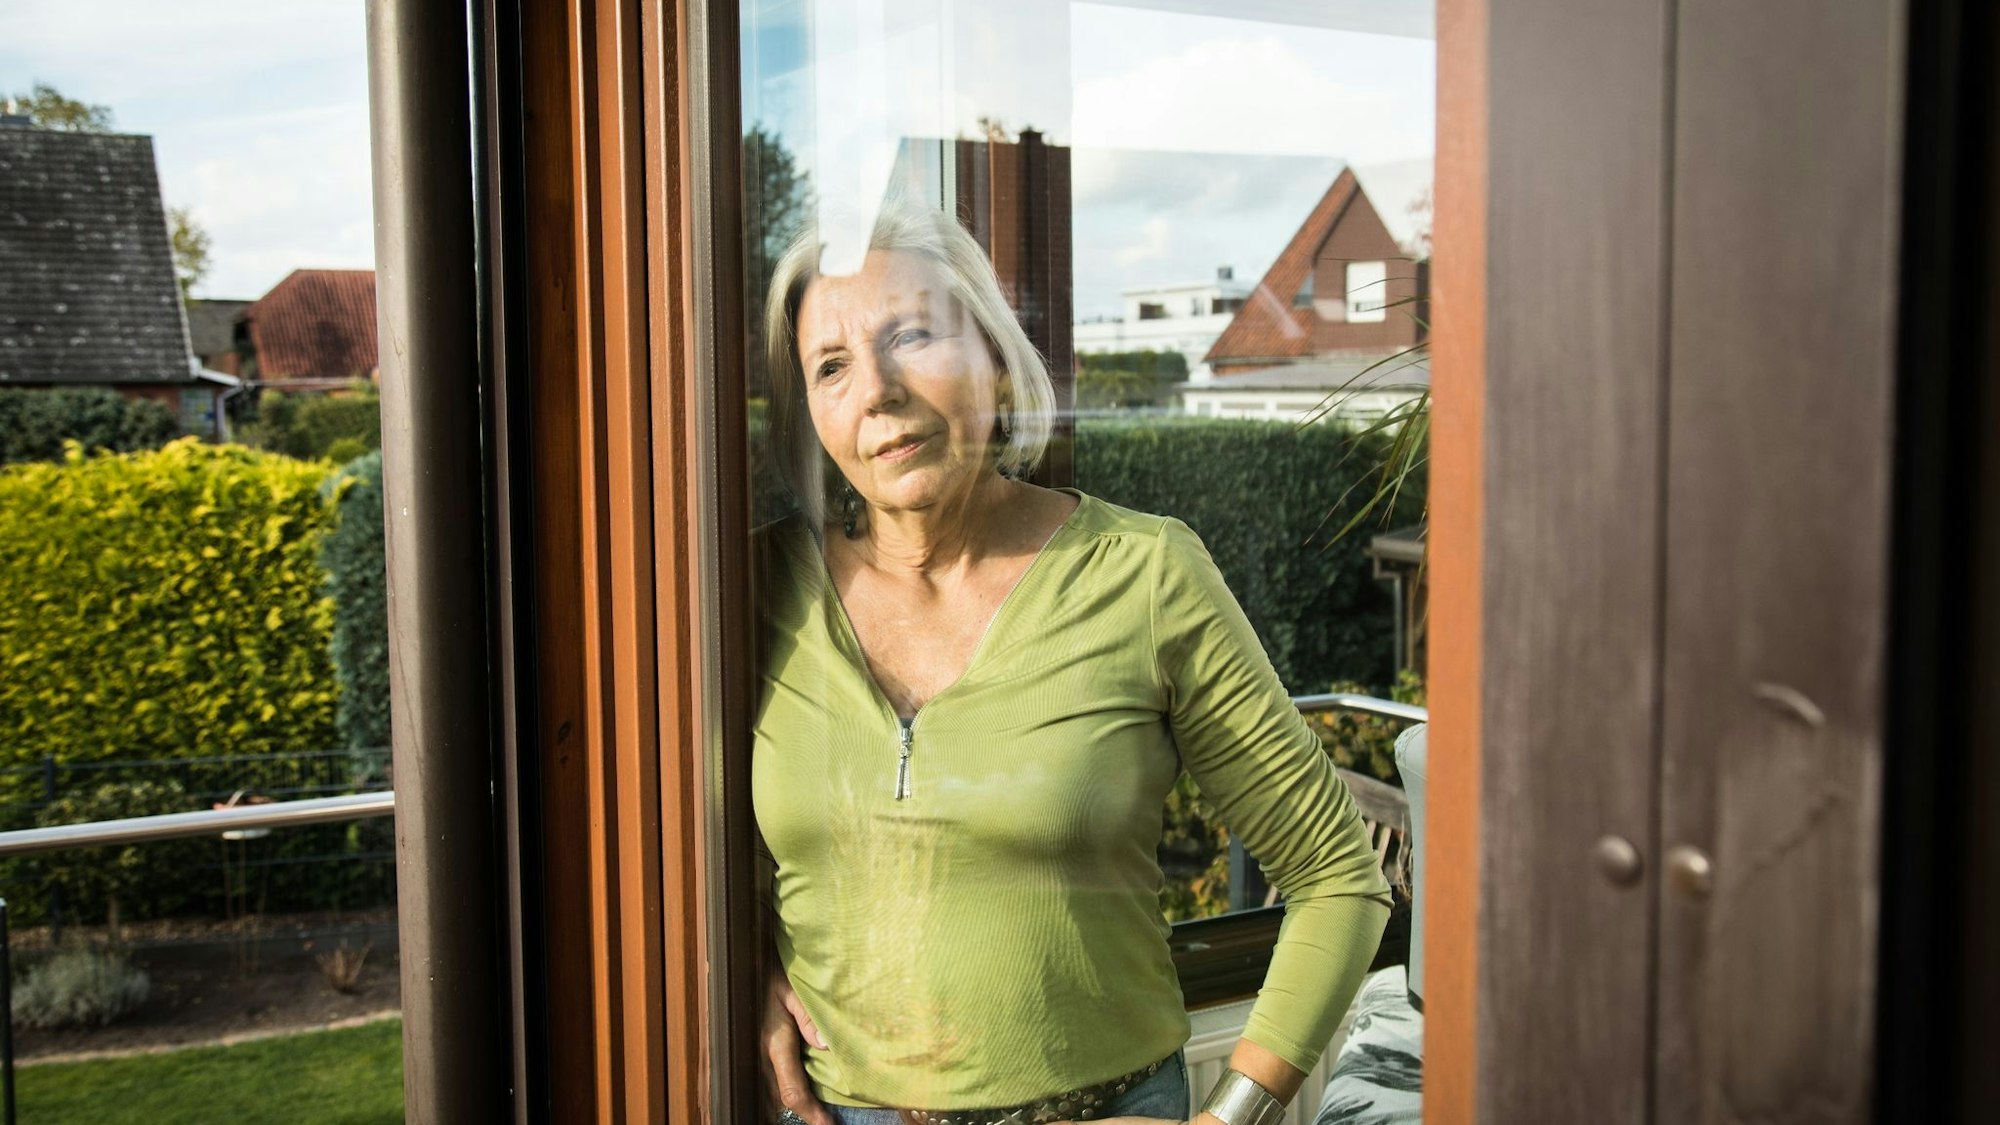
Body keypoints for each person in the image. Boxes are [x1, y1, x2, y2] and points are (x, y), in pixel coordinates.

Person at [752, 204, 1390, 1125]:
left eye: (912, 335)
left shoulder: (1145, 572)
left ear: (996, 360)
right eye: (831, 366)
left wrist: (1231, 1114)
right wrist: (740, 963)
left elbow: (1337, 870)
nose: (878, 389)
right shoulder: (756, 588)